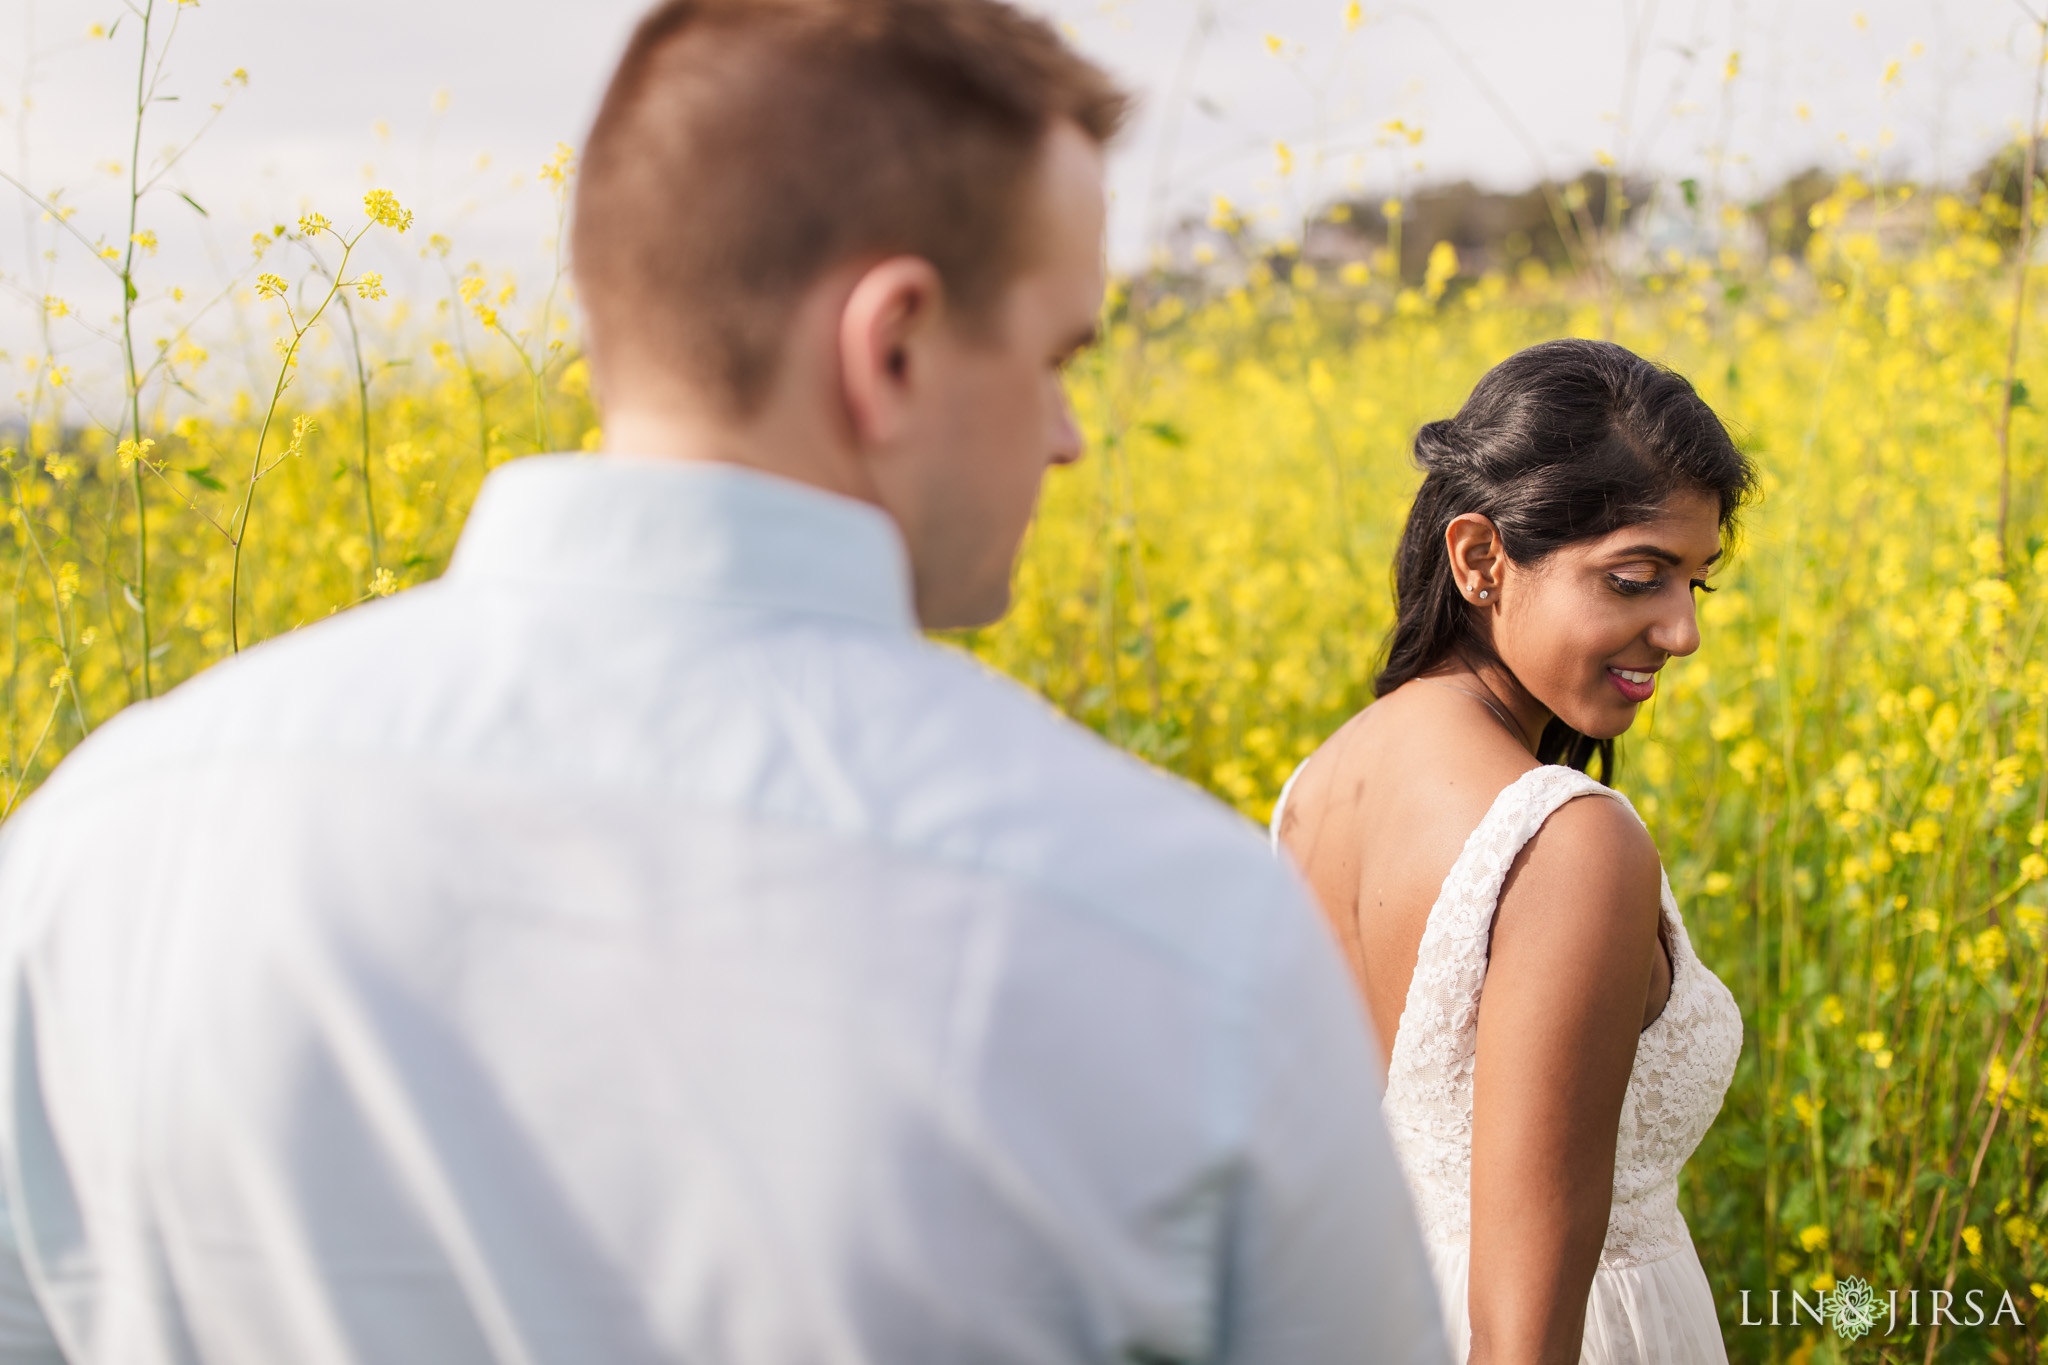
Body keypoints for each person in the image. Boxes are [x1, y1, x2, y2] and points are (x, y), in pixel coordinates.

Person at [0, 2, 1447, 1362]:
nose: (1071, 437)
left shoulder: (98, 839)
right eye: (1060, 355)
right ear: (889, 348)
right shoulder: (1174, 930)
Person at [1272, 338, 1754, 1365]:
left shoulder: (1320, 783)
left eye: (1695, 586)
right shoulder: (1565, 843)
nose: (1679, 632)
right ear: (1480, 560)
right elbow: (1524, 1336)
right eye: (1634, 579)